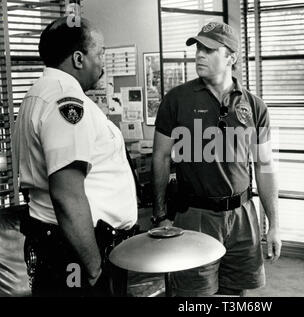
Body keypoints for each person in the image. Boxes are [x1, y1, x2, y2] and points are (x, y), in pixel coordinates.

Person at [151, 21, 282, 296]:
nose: (199, 54)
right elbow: (161, 157)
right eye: (198, 47)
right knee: (194, 296)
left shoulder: (255, 106)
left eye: (209, 49)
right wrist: (160, 215)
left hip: (242, 216)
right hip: (195, 216)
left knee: (236, 295)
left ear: (231, 57)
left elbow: (264, 166)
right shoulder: (176, 100)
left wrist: (274, 225)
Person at [12, 17, 138, 297]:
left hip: (63, 244)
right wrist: (95, 269)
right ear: (79, 58)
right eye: (101, 52)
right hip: (77, 252)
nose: (103, 61)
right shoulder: (66, 103)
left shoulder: (38, 94)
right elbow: (67, 195)